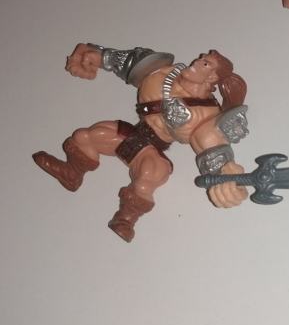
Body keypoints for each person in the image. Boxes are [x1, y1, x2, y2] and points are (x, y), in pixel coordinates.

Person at [33, 43, 250, 242]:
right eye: (202, 58)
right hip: (133, 133)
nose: (198, 60)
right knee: (84, 136)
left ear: (212, 77)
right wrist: (94, 56)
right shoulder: (162, 71)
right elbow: (129, 62)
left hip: (152, 150)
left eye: (206, 63)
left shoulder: (206, 114)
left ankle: (125, 220)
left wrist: (224, 178)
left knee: (151, 174)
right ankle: (72, 173)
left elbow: (210, 144)